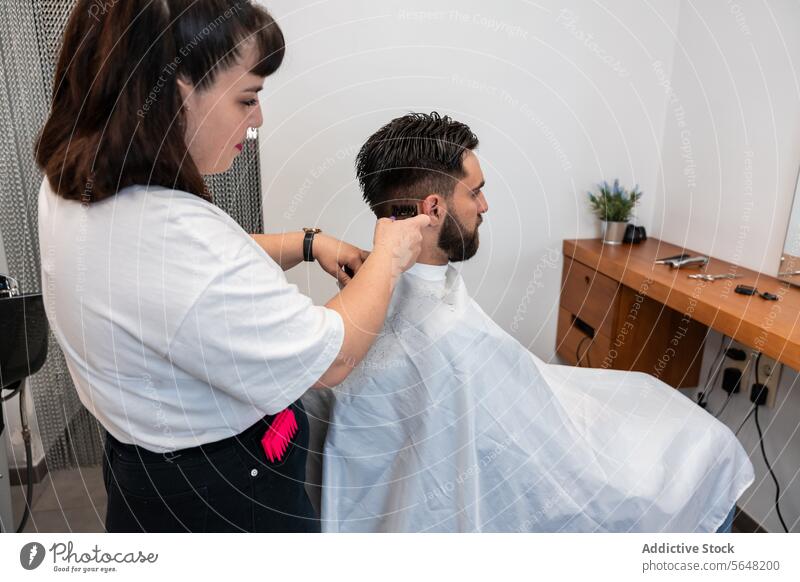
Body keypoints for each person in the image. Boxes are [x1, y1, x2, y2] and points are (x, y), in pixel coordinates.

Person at [34, 0, 429, 532]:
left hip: (143, 474)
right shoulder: (172, 236)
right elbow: (332, 358)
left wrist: (305, 244)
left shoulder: (77, 190)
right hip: (222, 497)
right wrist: (390, 255)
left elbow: (174, 277)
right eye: (247, 98)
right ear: (175, 92)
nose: (258, 119)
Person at [306, 112, 754, 532]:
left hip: (549, 417)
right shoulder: (440, 335)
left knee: (660, 411)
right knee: (704, 451)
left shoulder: (368, 299)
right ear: (434, 208)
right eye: (475, 191)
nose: (485, 205)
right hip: (564, 457)